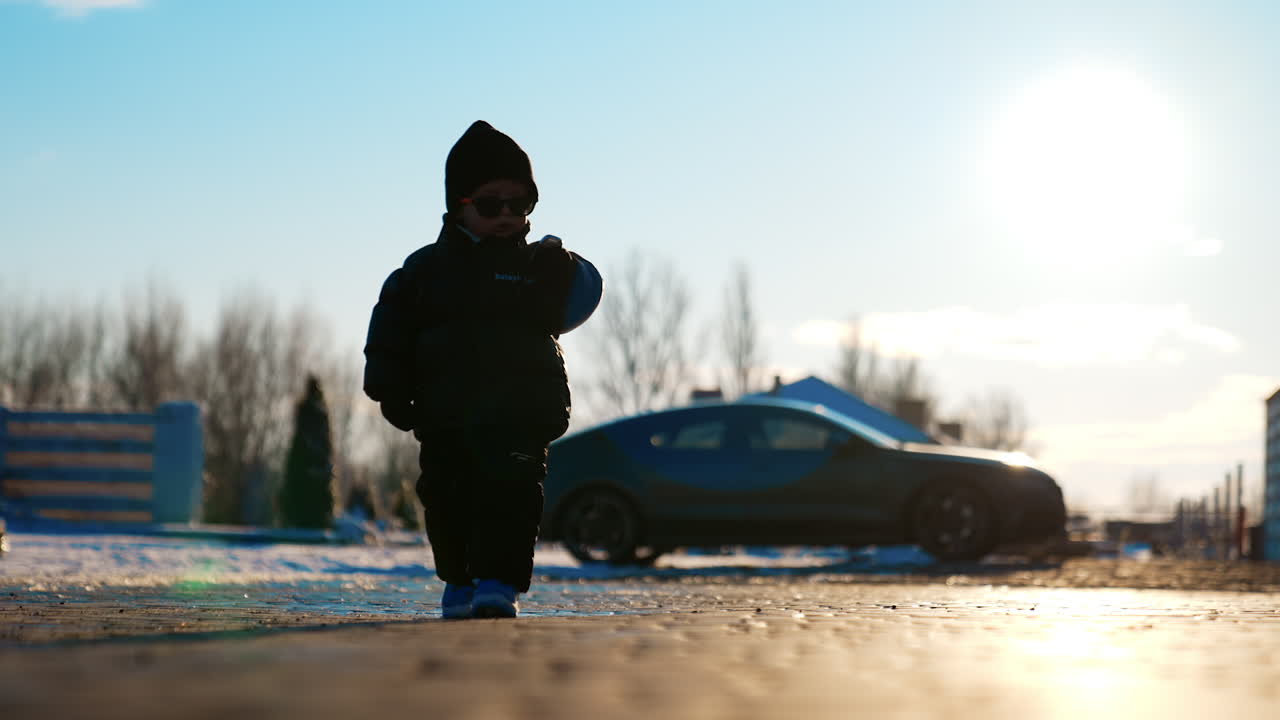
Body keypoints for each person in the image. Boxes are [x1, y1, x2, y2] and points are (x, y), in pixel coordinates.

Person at [363, 120, 602, 619]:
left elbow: (575, 296)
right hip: (447, 414)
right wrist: (390, 386)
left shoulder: (538, 268)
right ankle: (459, 580)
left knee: (514, 498)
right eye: (492, 205)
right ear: (459, 206)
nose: (507, 217)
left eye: (521, 205)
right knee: (448, 499)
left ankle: (499, 583)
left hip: (521, 413)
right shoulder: (424, 272)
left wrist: (563, 267)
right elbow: (391, 331)